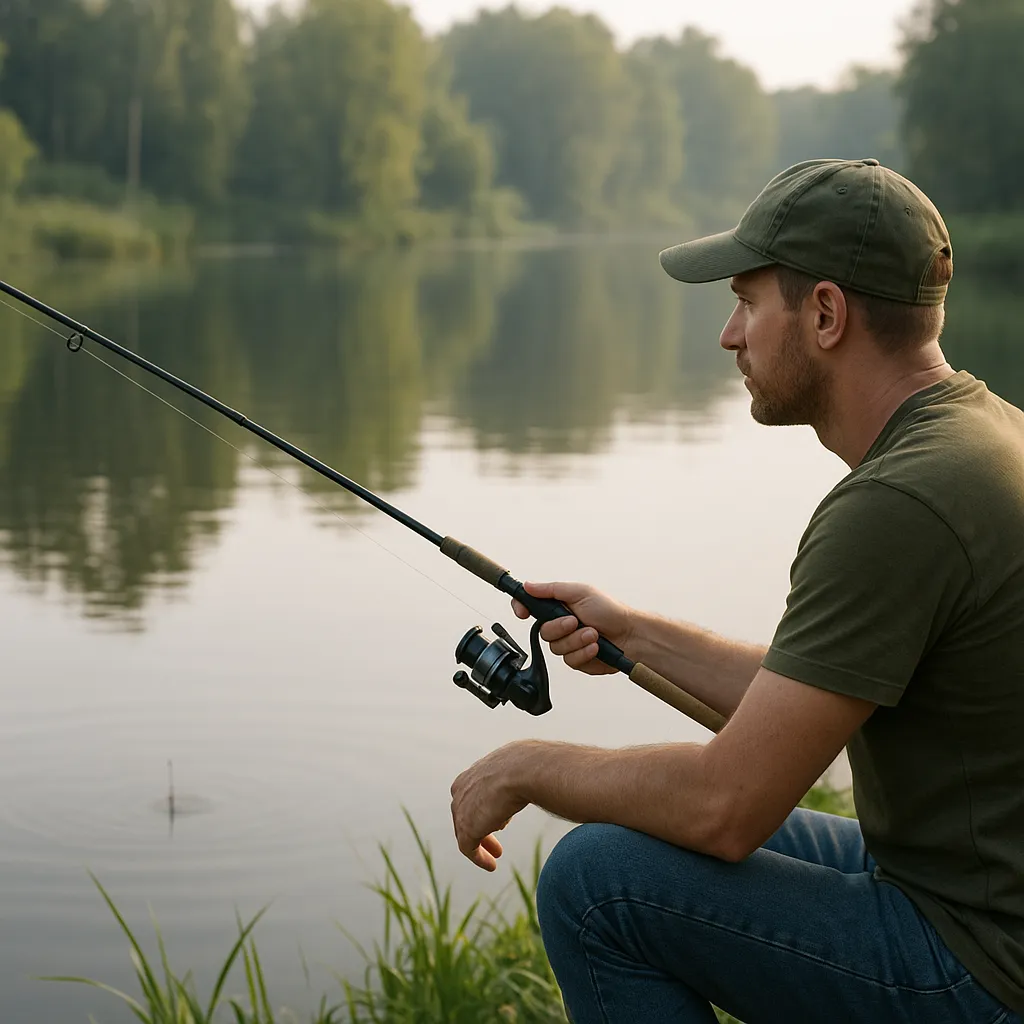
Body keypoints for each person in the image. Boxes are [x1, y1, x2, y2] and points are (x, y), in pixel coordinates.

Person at [448, 158, 1024, 1023]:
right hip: (969, 890)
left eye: (749, 302)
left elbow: (729, 807)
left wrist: (529, 766)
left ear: (825, 314)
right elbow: (813, 710)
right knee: (642, 835)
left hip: (980, 965)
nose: (729, 334)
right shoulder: (982, 435)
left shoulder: (896, 507)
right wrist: (636, 633)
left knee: (596, 884)